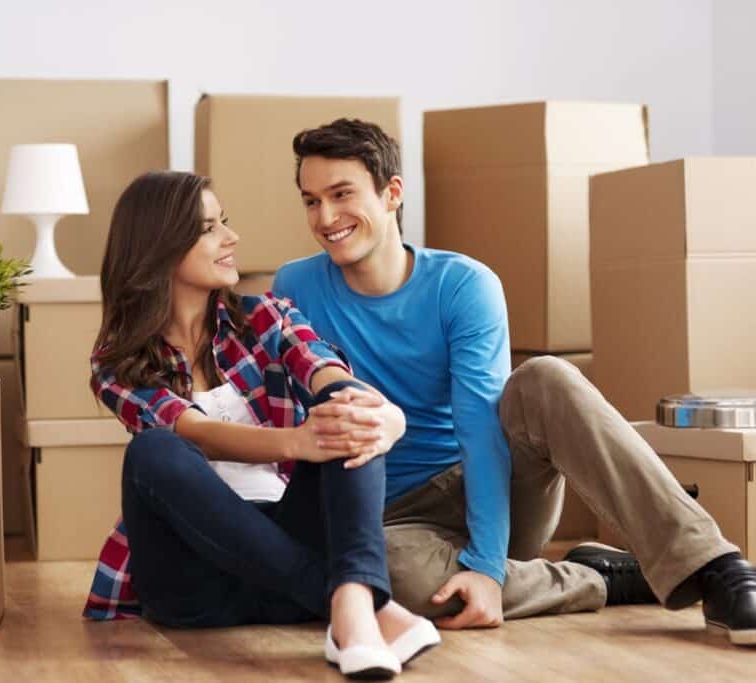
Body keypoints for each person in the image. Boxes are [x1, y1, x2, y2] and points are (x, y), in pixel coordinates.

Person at [272, 118, 756, 645]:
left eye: (342, 195)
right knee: (384, 576)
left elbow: (481, 431)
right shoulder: (295, 286)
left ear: (392, 194)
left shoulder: (463, 285)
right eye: (311, 201)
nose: (326, 217)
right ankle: (604, 578)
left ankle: (714, 566)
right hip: (389, 521)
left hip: (491, 487)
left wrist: (485, 563)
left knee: (545, 378)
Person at [81, 170, 441, 678]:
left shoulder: (267, 317)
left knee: (345, 409)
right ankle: (360, 606)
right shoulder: (117, 361)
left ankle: (352, 608)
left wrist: (379, 415)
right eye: (209, 229)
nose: (231, 238)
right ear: (160, 246)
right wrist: (296, 440)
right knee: (154, 451)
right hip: (194, 586)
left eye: (223, 222)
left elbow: (325, 370)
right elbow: (194, 432)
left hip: (285, 553)